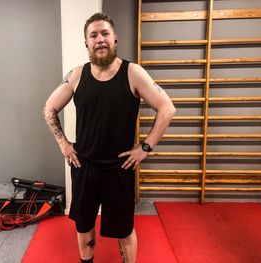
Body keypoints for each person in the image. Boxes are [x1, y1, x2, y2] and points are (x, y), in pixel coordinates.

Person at [43, 12, 175, 263]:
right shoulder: (77, 75)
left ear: (115, 39)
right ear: (86, 43)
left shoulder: (133, 72)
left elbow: (167, 108)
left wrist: (145, 147)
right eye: (93, 35)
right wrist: (63, 143)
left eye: (105, 33)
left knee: (123, 231)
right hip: (84, 165)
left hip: (119, 167)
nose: (99, 39)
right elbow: (48, 108)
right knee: (83, 226)